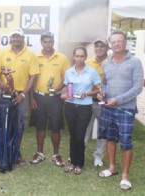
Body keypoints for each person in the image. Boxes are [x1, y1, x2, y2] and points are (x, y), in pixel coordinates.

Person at [98, 30, 143, 191]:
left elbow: (138, 87)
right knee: (110, 138)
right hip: (108, 107)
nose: (116, 44)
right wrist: (101, 92)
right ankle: (112, 167)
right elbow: (105, 83)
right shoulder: (106, 63)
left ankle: (125, 175)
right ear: (110, 44)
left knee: (125, 141)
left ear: (125, 43)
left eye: (119, 41)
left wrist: (119, 100)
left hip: (125, 109)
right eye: (114, 41)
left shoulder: (135, 62)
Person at [0, 28, 39, 165]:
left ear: (23, 38)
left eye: (18, 37)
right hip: (5, 95)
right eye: (13, 37)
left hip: (21, 96)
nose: (16, 39)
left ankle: (16, 152)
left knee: (20, 125)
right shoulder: (3, 53)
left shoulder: (31, 55)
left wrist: (24, 94)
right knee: (5, 124)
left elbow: (33, 76)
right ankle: (4, 152)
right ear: (10, 39)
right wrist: (2, 84)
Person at [29, 32, 68, 167]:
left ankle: (56, 154)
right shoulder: (35, 57)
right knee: (40, 126)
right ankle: (40, 153)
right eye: (45, 42)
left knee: (55, 127)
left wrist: (59, 87)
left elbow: (66, 76)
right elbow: (31, 78)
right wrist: (31, 98)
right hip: (38, 97)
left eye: (50, 42)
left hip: (55, 98)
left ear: (53, 42)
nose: (47, 44)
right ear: (41, 42)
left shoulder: (62, 57)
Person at [62, 46, 100, 175]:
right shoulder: (68, 72)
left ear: (85, 57)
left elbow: (97, 90)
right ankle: (73, 162)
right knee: (73, 136)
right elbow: (67, 89)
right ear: (73, 57)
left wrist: (87, 93)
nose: (79, 59)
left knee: (80, 135)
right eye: (77, 56)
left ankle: (79, 163)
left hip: (85, 107)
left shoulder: (92, 71)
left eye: (82, 56)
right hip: (70, 106)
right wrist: (65, 95)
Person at [84, 38, 109, 167]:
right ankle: (79, 153)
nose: (99, 48)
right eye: (96, 46)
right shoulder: (88, 63)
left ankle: (98, 156)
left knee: (102, 130)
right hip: (88, 101)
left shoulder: (110, 62)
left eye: (102, 46)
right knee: (84, 128)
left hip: (103, 103)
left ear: (107, 48)